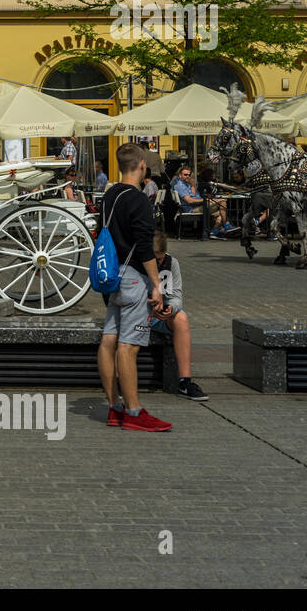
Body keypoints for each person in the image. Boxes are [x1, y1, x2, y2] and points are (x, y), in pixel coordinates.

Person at [96, 142, 171, 432]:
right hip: (132, 278)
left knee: (108, 340)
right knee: (128, 347)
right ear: (141, 165)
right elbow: (144, 247)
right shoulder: (139, 200)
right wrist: (156, 284)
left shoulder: (110, 194)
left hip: (112, 277)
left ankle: (115, 407)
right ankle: (135, 413)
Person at [148, 231, 208, 401]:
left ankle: (185, 381)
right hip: (139, 315)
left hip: (161, 317)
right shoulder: (137, 264)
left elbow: (177, 297)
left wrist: (170, 309)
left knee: (181, 318)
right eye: (154, 259)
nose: (158, 263)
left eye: (160, 259)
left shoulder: (172, 263)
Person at [171, 166, 222, 235]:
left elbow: (194, 195)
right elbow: (189, 201)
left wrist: (192, 185)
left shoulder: (187, 184)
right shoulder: (180, 185)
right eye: (185, 175)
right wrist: (205, 199)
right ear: (180, 175)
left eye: (189, 175)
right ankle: (224, 226)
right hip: (191, 209)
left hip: (196, 205)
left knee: (221, 210)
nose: (188, 177)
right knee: (222, 203)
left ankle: (215, 230)